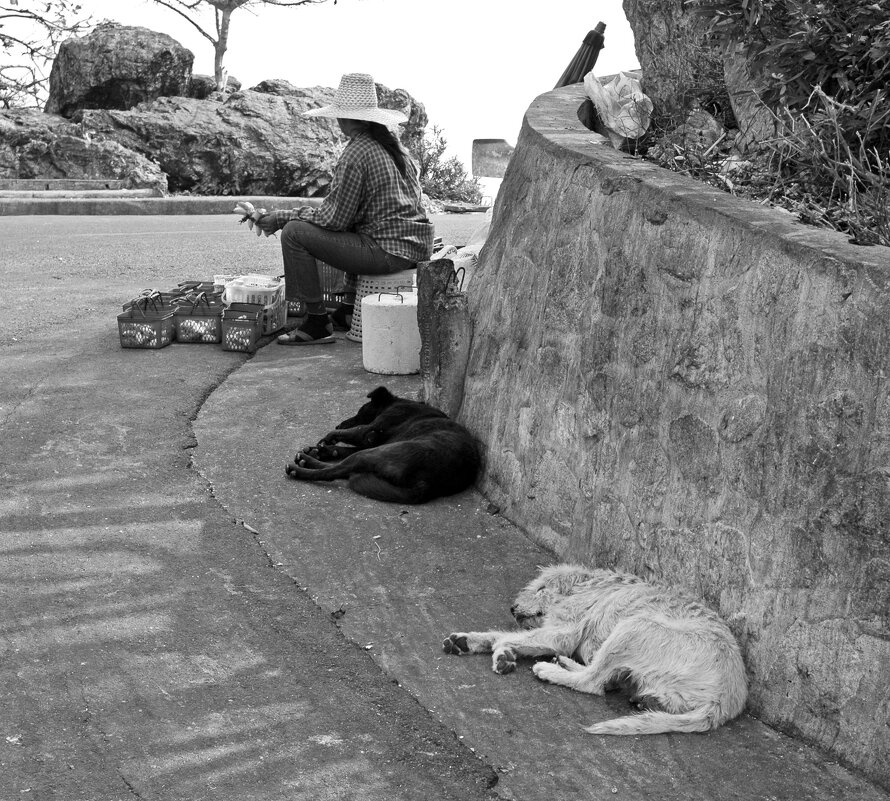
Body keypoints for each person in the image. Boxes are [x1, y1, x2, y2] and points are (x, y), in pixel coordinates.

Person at [253, 72, 435, 345]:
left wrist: (280, 217)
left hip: (389, 251)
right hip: (414, 247)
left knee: (294, 233)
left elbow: (333, 219)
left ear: (343, 118)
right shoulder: (394, 147)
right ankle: (347, 311)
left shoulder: (356, 152)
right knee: (351, 230)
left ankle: (316, 322)